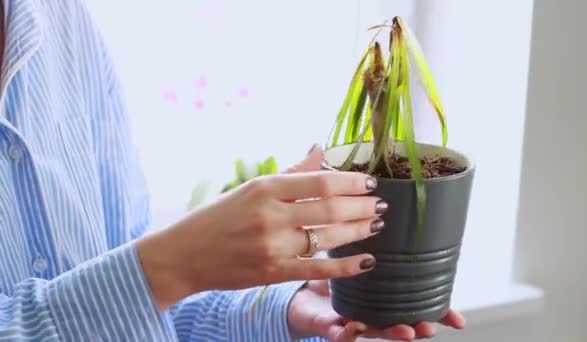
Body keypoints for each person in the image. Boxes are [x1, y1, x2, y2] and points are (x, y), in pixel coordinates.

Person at [0, 1, 465, 341]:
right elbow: (141, 283)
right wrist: (168, 265)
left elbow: (143, 309)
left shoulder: (62, 20)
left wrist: (278, 307)